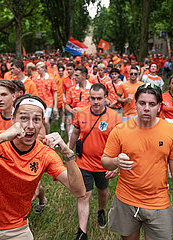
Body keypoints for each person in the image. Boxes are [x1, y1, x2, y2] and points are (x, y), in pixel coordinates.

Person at [0, 94, 85, 239]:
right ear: (13, 119)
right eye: (24, 118)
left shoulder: (45, 154)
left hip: (17, 229)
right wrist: (0, 138)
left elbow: (80, 192)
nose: (30, 126)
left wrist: (68, 154)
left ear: (42, 123)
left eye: (36, 119)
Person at [101, 83, 173, 239]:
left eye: (152, 104)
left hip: (158, 202)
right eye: (142, 103)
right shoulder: (120, 130)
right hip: (126, 200)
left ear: (159, 106)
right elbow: (105, 161)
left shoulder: (172, 132)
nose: (147, 108)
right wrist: (116, 162)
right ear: (135, 104)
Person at [69, 83, 122, 240]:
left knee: (102, 191)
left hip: (104, 165)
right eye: (93, 98)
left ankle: (101, 210)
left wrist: (116, 165)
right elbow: (75, 133)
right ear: (89, 98)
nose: (96, 102)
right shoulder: (81, 113)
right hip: (83, 162)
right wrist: (69, 151)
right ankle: (82, 232)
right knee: (84, 195)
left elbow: (121, 143)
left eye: (99, 98)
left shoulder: (115, 117)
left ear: (106, 98)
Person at [35, 62, 58, 134]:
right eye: (37, 69)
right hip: (39, 103)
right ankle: (42, 135)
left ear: (44, 69)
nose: (37, 71)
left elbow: (55, 92)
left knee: (46, 121)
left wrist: (55, 106)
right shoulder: (36, 79)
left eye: (39, 69)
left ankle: (47, 135)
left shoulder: (51, 79)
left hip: (48, 102)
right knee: (40, 121)